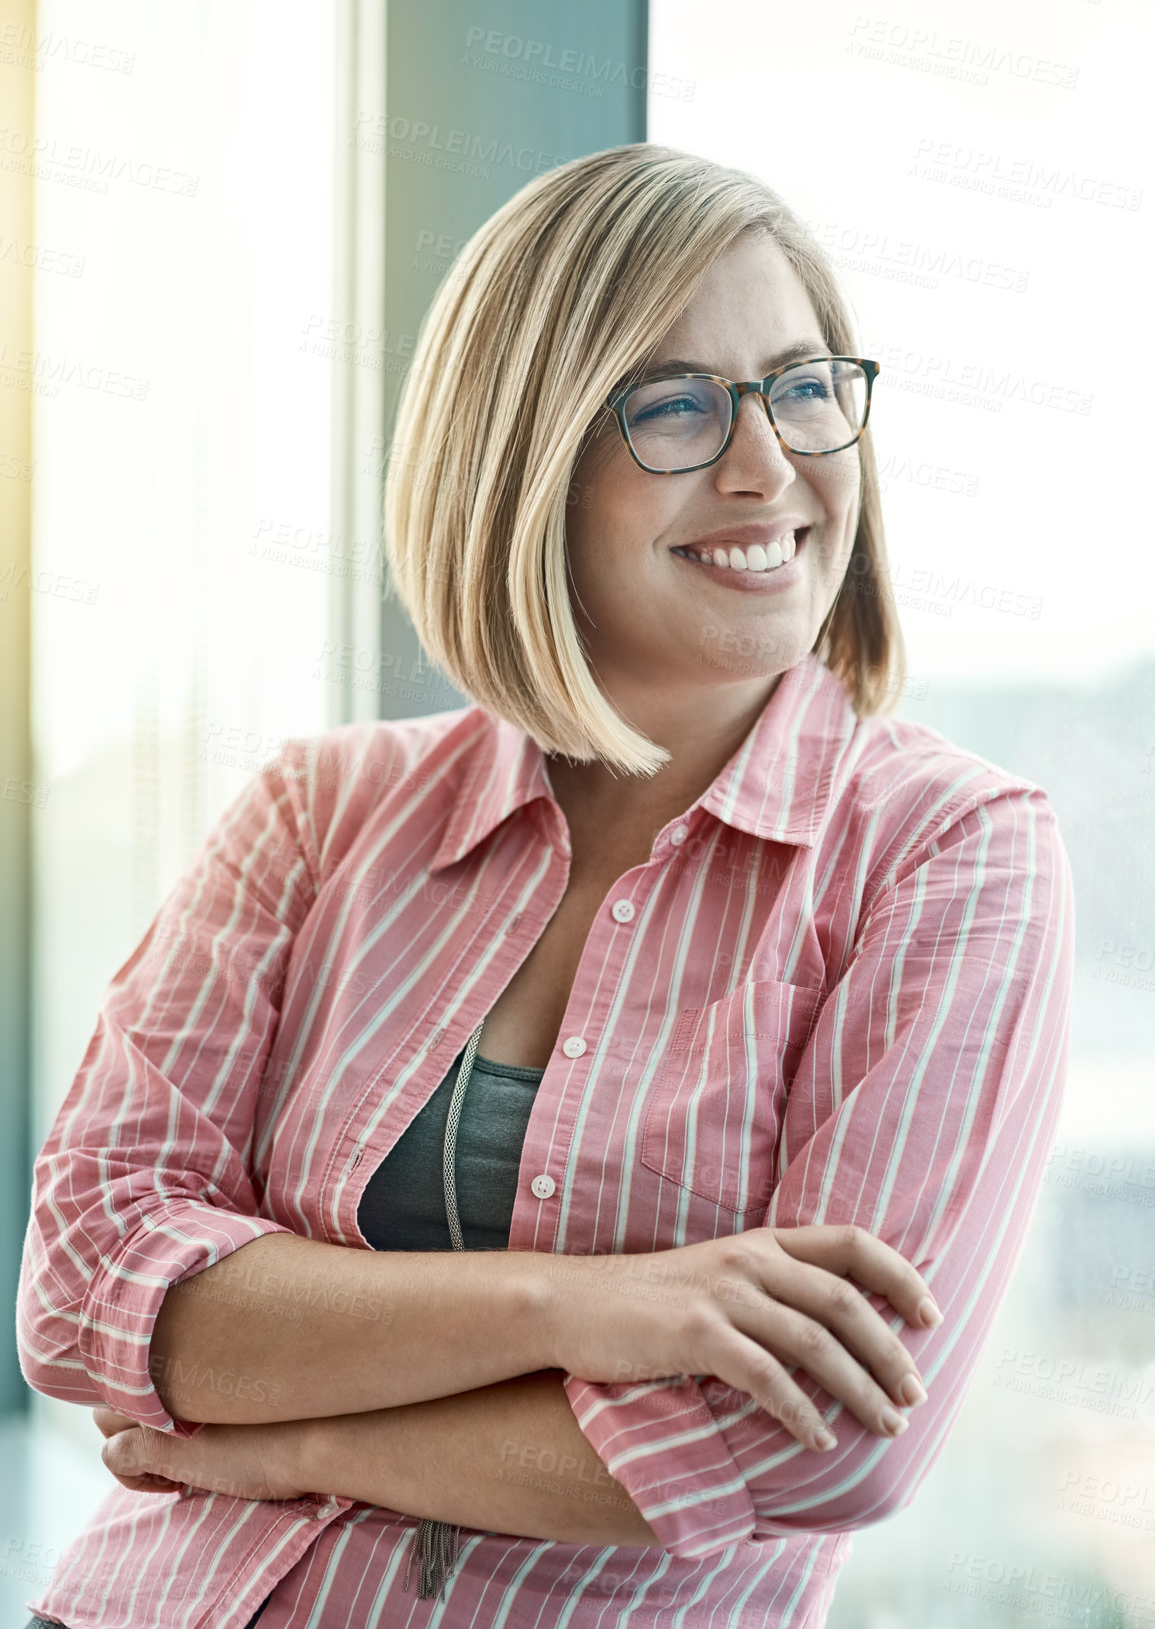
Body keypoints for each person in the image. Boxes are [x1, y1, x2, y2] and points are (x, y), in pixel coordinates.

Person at [17, 143, 1074, 1628]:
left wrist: (294, 1438)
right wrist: (592, 1307)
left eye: (804, 385)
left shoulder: (951, 857)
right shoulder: (318, 815)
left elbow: (815, 1432)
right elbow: (92, 1293)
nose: (767, 463)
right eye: (675, 406)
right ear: (523, 461)